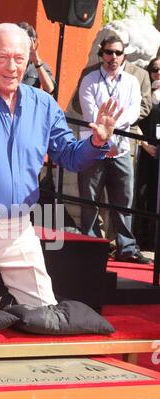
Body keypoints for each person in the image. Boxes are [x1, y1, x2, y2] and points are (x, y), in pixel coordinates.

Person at [0, 23, 122, 307]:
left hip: (18, 227)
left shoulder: (44, 105)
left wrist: (97, 143)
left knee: (45, 310)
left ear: (29, 60)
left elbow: (70, 156)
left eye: (19, 58)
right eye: (3, 57)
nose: (12, 66)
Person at [77, 35, 151, 264]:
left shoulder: (131, 81)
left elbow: (132, 111)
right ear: (102, 54)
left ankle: (126, 248)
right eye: (109, 52)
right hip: (93, 149)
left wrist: (111, 129)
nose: (113, 57)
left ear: (124, 56)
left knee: (124, 201)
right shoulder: (90, 79)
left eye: (118, 53)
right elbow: (91, 114)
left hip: (120, 150)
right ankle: (90, 247)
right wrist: (105, 135)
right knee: (90, 200)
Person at [134, 56, 160, 250]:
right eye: (154, 69)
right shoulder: (144, 94)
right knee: (141, 194)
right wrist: (145, 145)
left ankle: (154, 241)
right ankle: (141, 239)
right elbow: (135, 120)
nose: (158, 73)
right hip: (146, 150)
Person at [17, 21, 56, 94]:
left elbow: (50, 90)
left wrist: (37, 62)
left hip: (29, 104)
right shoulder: (7, 62)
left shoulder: (39, 65)